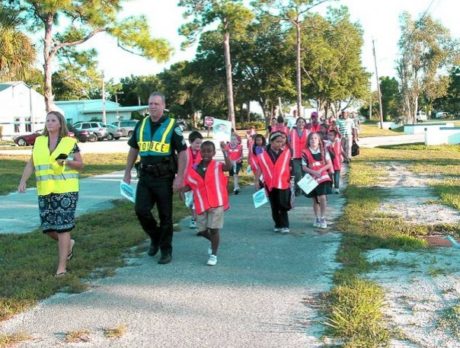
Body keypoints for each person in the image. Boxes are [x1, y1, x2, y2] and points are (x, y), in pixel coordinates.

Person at [123, 92, 187, 265]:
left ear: (163, 105)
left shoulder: (172, 125)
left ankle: (166, 250)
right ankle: (156, 237)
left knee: (165, 216)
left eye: (156, 104)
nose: (152, 106)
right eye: (150, 103)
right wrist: (127, 171)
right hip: (145, 176)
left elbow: (182, 152)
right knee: (141, 210)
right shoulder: (141, 125)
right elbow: (133, 149)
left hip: (164, 177)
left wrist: (180, 177)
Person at [18, 111, 84, 277]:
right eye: (47, 120)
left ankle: (61, 268)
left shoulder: (69, 142)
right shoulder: (39, 142)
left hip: (66, 190)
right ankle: (70, 243)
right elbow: (31, 164)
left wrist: (67, 162)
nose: (49, 123)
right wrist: (23, 180)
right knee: (47, 228)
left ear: (60, 124)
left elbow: (80, 164)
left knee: (63, 228)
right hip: (45, 190)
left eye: (53, 120)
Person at [183, 141, 232, 266]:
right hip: (201, 203)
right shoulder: (194, 167)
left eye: (209, 151)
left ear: (214, 153)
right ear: (200, 152)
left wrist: (225, 151)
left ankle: (213, 254)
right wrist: (181, 189)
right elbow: (190, 184)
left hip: (216, 202)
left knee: (214, 229)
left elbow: (229, 167)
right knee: (203, 230)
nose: (206, 153)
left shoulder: (218, 165)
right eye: (203, 151)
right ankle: (214, 242)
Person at [256, 131, 292, 234]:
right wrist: (256, 180)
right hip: (270, 183)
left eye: (281, 142)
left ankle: (285, 225)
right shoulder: (263, 154)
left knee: (283, 204)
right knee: (274, 205)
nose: (280, 144)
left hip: (283, 183)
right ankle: (278, 224)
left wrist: (291, 177)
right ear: (271, 142)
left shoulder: (286, 153)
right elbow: (260, 168)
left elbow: (289, 166)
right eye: (277, 142)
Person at [302, 132, 332, 229]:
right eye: (311, 138)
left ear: (319, 141)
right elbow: (304, 167)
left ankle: (323, 217)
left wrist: (320, 170)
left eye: (315, 138)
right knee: (315, 200)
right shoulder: (305, 152)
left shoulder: (324, 151)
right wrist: (313, 172)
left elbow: (329, 164)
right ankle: (317, 217)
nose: (313, 140)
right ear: (308, 141)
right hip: (311, 177)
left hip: (322, 176)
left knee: (322, 197)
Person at [184, 131, 203, 229]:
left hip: (198, 182)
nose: (199, 145)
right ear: (191, 142)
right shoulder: (185, 153)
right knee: (190, 202)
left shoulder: (202, 153)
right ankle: (193, 217)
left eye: (200, 143)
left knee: (197, 201)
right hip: (187, 182)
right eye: (197, 143)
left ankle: (196, 220)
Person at [288, 117, 308, 196]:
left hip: (305, 156)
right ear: (296, 123)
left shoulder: (308, 132)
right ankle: (297, 190)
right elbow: (288, 142)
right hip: (295, 156)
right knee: (297, 173)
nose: (301, 124)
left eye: (302, 122)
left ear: (305, 124)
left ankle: (305, 190)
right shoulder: (291, 132)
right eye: (299, 122)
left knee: (305, 173)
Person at [326, 129, 344, 194]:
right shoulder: (327, 143)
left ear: (335, 136)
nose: (329, 136)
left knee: (336, 176)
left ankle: (336, 188)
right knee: (330, 175)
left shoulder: (337, 142)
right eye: (328, 135)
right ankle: (330, 187)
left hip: (336, 162)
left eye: (331, 135)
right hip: (329, 163)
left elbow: (336, 153)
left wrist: (346, 157)